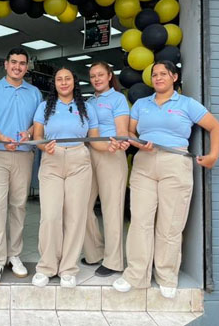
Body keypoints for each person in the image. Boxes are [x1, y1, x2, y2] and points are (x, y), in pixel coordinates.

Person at [112, 61, 219, 298]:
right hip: (144, 162)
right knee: (140, 220)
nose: (158, 77)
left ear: (174, 77)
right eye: (154, 74)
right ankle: (136, 275)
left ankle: (166, 275)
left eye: (163, 74)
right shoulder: (142, 104)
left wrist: (213, 155)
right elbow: (130, 132)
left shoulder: (187, 104)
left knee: (170, 224)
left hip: (175, 162)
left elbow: (216, 128)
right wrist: (138, 141)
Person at [31, 67, 120, 289]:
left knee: (75, 217)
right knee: (50, 216)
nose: (63, 82)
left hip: (79, 160)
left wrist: (111, 146)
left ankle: (68, 269)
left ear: (74, 82)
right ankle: (47, 266)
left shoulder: (87, 107)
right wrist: (44, 146)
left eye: (67, 78)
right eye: (59, 79)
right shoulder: (44, 107)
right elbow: (38, 136)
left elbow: (95, 141)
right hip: (52, 159)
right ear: (55, 84)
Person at [0, 47, 42, 285]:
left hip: (24, 155)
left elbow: (38, 123)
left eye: (22, 63)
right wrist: (1, 138)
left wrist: (28, 133)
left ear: (26, 67)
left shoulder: (35, 92)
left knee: (18, 206)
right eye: (14, 62)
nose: (17, 66)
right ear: (5, 64)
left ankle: (14, 255)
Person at [82, 62, 131, 277]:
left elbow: (122, 130)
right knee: (81, 205)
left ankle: (114, 261)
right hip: (88, 153)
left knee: (112, 208)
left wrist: (119, 143)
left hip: (111, 153)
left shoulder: (118, 99)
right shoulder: (89, 101)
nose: (96, 79)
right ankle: (94, 253)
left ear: (110, 76)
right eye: (93, 76)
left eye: (100, 75)